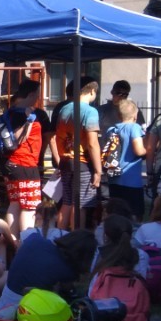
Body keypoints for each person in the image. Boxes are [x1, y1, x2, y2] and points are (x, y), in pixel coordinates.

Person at [0, 229, 98, 318]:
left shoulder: (35, 239)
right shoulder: (67, 272)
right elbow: (68, 296)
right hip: (25, 312)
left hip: (2, 304)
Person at [89, 214, 150, 321]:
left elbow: (92, 287)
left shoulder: (100, 254)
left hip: (105, 314)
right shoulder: (141, 255)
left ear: (105, 236)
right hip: (134, 320)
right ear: (131, 235)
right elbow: (143, 280)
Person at [53, 77, 101, 230]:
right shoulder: (90, 111)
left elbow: (58, 135)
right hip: (82, 163)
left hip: (65, 160)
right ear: (92, 91)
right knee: (79, 204)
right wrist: (98, 170)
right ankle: (76, 236)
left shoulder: (64, 109)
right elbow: (92, 143)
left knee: (67, 202)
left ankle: (58, 234)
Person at [0, 80, 44, 237]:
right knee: (29, 206)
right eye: (37, 94)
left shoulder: (11, 112)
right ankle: (27, 241)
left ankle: (12, 240)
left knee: (15, 203)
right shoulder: (24, 114)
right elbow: (18, 139)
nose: (38, 98)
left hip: (11, 163)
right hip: (24, 162)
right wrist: (29, 122)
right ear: (31, 94)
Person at [103, 98, 147, 221]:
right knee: (135, 213)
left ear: (118, 115)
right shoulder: (134, 128)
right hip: (131, 179)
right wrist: (149, 151)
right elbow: (138, 151)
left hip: (114, 178)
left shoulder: (111, 130)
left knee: (116, 211)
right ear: (135, 115)